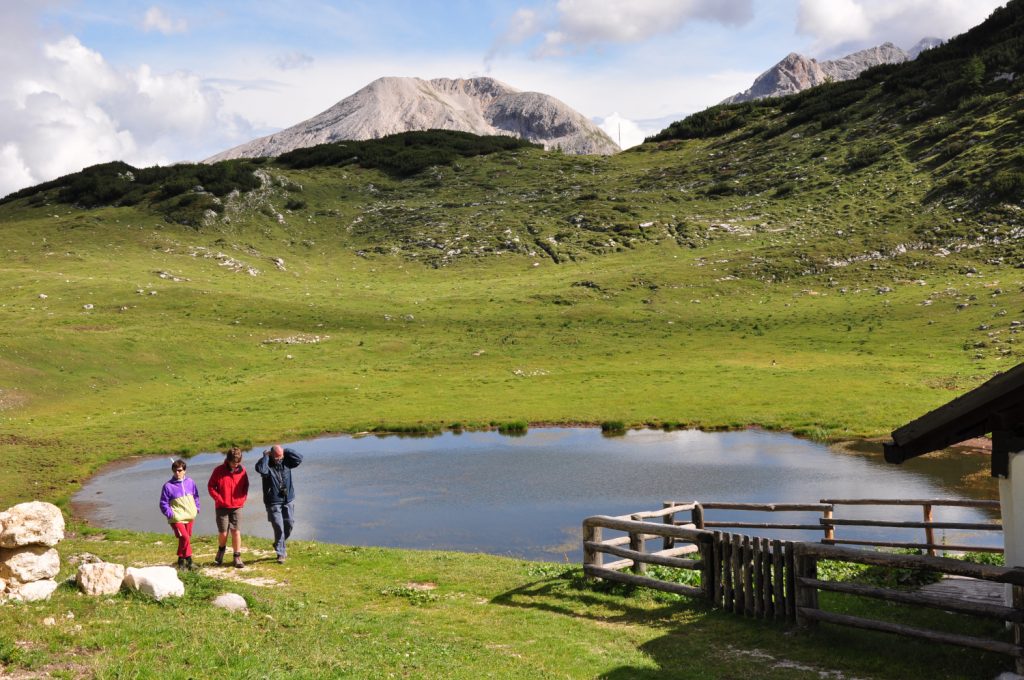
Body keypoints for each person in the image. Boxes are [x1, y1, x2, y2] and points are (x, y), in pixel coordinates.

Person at [254, 445, 303, 564]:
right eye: (277, 457)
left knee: (289, 524)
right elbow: (262, 471)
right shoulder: (264, 463)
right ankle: (281, 553)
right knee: (279, 527)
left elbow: (299, 458)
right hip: (273, 501)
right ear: (271, 454)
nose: (279, 459)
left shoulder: (286, 460)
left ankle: (278, 543)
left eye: (281, 457)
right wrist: (266, 456)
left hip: (288, 499)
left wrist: (284, 450)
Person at [207, 447, 249, 568]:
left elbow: (246, 486)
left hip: (237, 506)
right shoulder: (218, 471)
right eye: (234, 463)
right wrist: (219, 499)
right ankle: (221, 550)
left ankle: (237, 557)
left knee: (236, 531)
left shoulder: (242, 471)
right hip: (222, 507)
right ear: (228, 460)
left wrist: (242, 499)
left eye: (238, 463)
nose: (236, 465)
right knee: (223, 533)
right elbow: (210, 486)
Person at [159, 459, 200, 570]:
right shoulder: (168, 486)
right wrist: (170, 514)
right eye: (174, 470)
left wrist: (197, 508)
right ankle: (189, 561)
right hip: (177, 518)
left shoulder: (190, 482)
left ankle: (181, 561)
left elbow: (196, 496)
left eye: (179, 470)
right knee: (185, 537)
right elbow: (163, 503)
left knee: (185, 539)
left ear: (184, 471)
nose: (177, 473)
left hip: (190, 515)